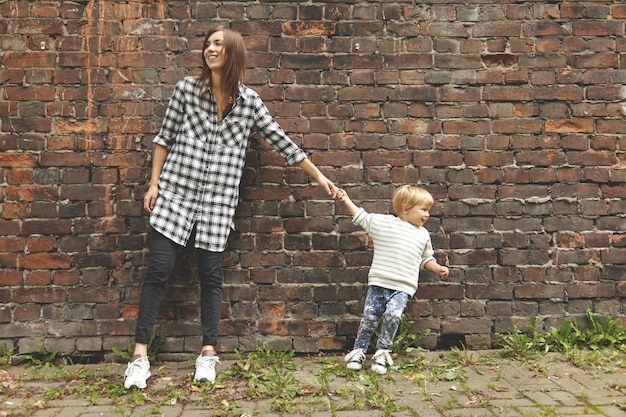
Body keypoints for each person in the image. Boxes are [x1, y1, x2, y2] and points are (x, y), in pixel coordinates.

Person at [123, 25, 337, 390]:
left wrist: (321, 179)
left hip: (218, 206)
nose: (210, 49)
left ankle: (208, 353)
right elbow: (164, 137)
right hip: (174, 195)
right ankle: (139, 358)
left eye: (218, 44)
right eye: (207, 43)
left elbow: (284, 143)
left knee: (211, 279)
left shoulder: (250, 103)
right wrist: (153, 183)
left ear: (233, 51)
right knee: (157, 272)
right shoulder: (186, 91)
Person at [336, 185, 449, 375]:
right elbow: (361, 217)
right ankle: (358, 351)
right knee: (370, 318)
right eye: (423, 209)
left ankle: (382, 352)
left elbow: (425, 258)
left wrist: (437, 268)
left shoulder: (422, 234)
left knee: (393, 316)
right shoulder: (385, 224)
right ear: (405, 208)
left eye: (428, 210)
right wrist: (345, 199)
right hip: (379, 284)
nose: (427, 215)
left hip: (402, 287)